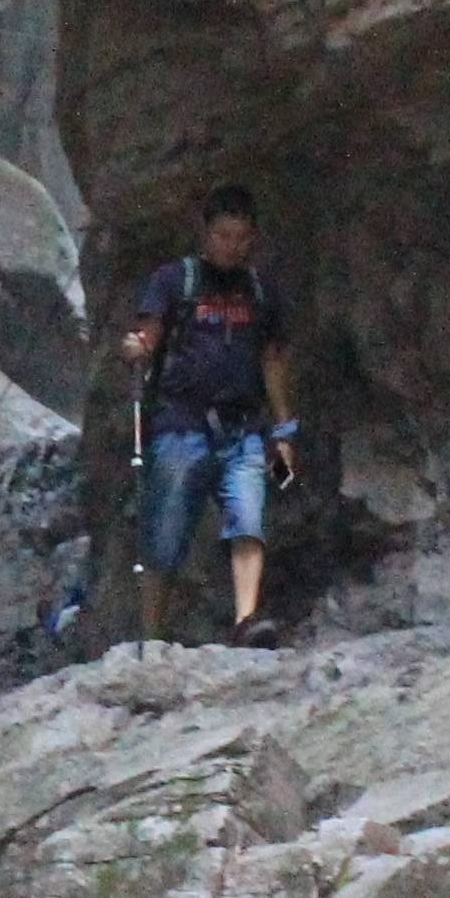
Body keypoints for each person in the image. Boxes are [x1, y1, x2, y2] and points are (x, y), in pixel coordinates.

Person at [120, 186, 298, 646]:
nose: (232, 247)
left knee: (248, 521)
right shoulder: (175, 281)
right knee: (165, 532)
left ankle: (246, 621)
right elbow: (149, 332)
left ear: (253, 238)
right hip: (181, 424)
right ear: (205, 233)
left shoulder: (260, 291)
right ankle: (152, 634)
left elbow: (272, 359)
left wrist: (283, 429)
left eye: (241, 238)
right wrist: (138, 346)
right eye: (223, 236)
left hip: (244, 428)